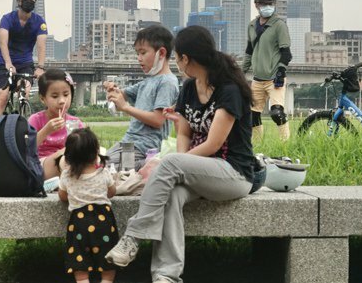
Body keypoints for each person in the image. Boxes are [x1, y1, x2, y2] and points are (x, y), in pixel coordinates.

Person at [104, 25, 254, 283]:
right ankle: (166, 277)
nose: (176, 62)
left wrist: (180, 163)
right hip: (202, 171)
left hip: (233, 174)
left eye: (177, 57)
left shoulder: (228, 90)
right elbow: (183, 133)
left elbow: (214, 144)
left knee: (173, 163)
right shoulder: (188, 88)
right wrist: (181, 166)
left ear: (187, 59)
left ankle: (133, 237)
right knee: (172, 194)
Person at [103, 25, 179, 170]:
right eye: (138, 53)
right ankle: (141, 169)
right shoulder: (148, 81)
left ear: (161, 53)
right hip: (129, 145)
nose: (139, 59)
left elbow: (158, 120)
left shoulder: (167, 82)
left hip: (145, 148)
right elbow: (122, 95)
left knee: (101, 168)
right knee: (97, 165)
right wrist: (112, 89)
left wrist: (126, 107)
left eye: (143, 53)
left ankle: (150, 166)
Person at [58, 128, 118, 283]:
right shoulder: (103, 173)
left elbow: (62, 196)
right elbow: (112, 192)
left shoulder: (67, 175)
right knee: (107, 258)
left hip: (79, 222)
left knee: (80, 260)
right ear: (96, 152)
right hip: (103, 221)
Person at [242, 0, 293, 142]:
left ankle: (285, 144)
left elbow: (286, 52)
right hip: (258, 79)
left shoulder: (279, 25)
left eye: (270, 4)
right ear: (256, 5)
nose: (268, 7)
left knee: (277, 113)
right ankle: (258, 145)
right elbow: (249, 51)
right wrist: (240, 72)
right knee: (252, 115)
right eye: (264, 4)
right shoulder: (252, 26)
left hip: (274, 79)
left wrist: (281, 71)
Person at [0, 0, 48, 117]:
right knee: (3, 96)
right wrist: (8, 63)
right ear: (18, 0)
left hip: (25, 63)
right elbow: (3, 42)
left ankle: (22, 123)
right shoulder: (7, 19)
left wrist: (40, 67)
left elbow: (41, 45)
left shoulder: (39, 21)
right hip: (4, 63)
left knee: (25, 90)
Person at [29, 69, 85, 179]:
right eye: (55, 96)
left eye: (66, 94)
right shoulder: (35, 120)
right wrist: (46, 130)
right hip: (41, 166)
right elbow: (26, 148)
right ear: (42, 98)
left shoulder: (75, 122)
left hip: (68, 164)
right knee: (64, 156)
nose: (62, 101)